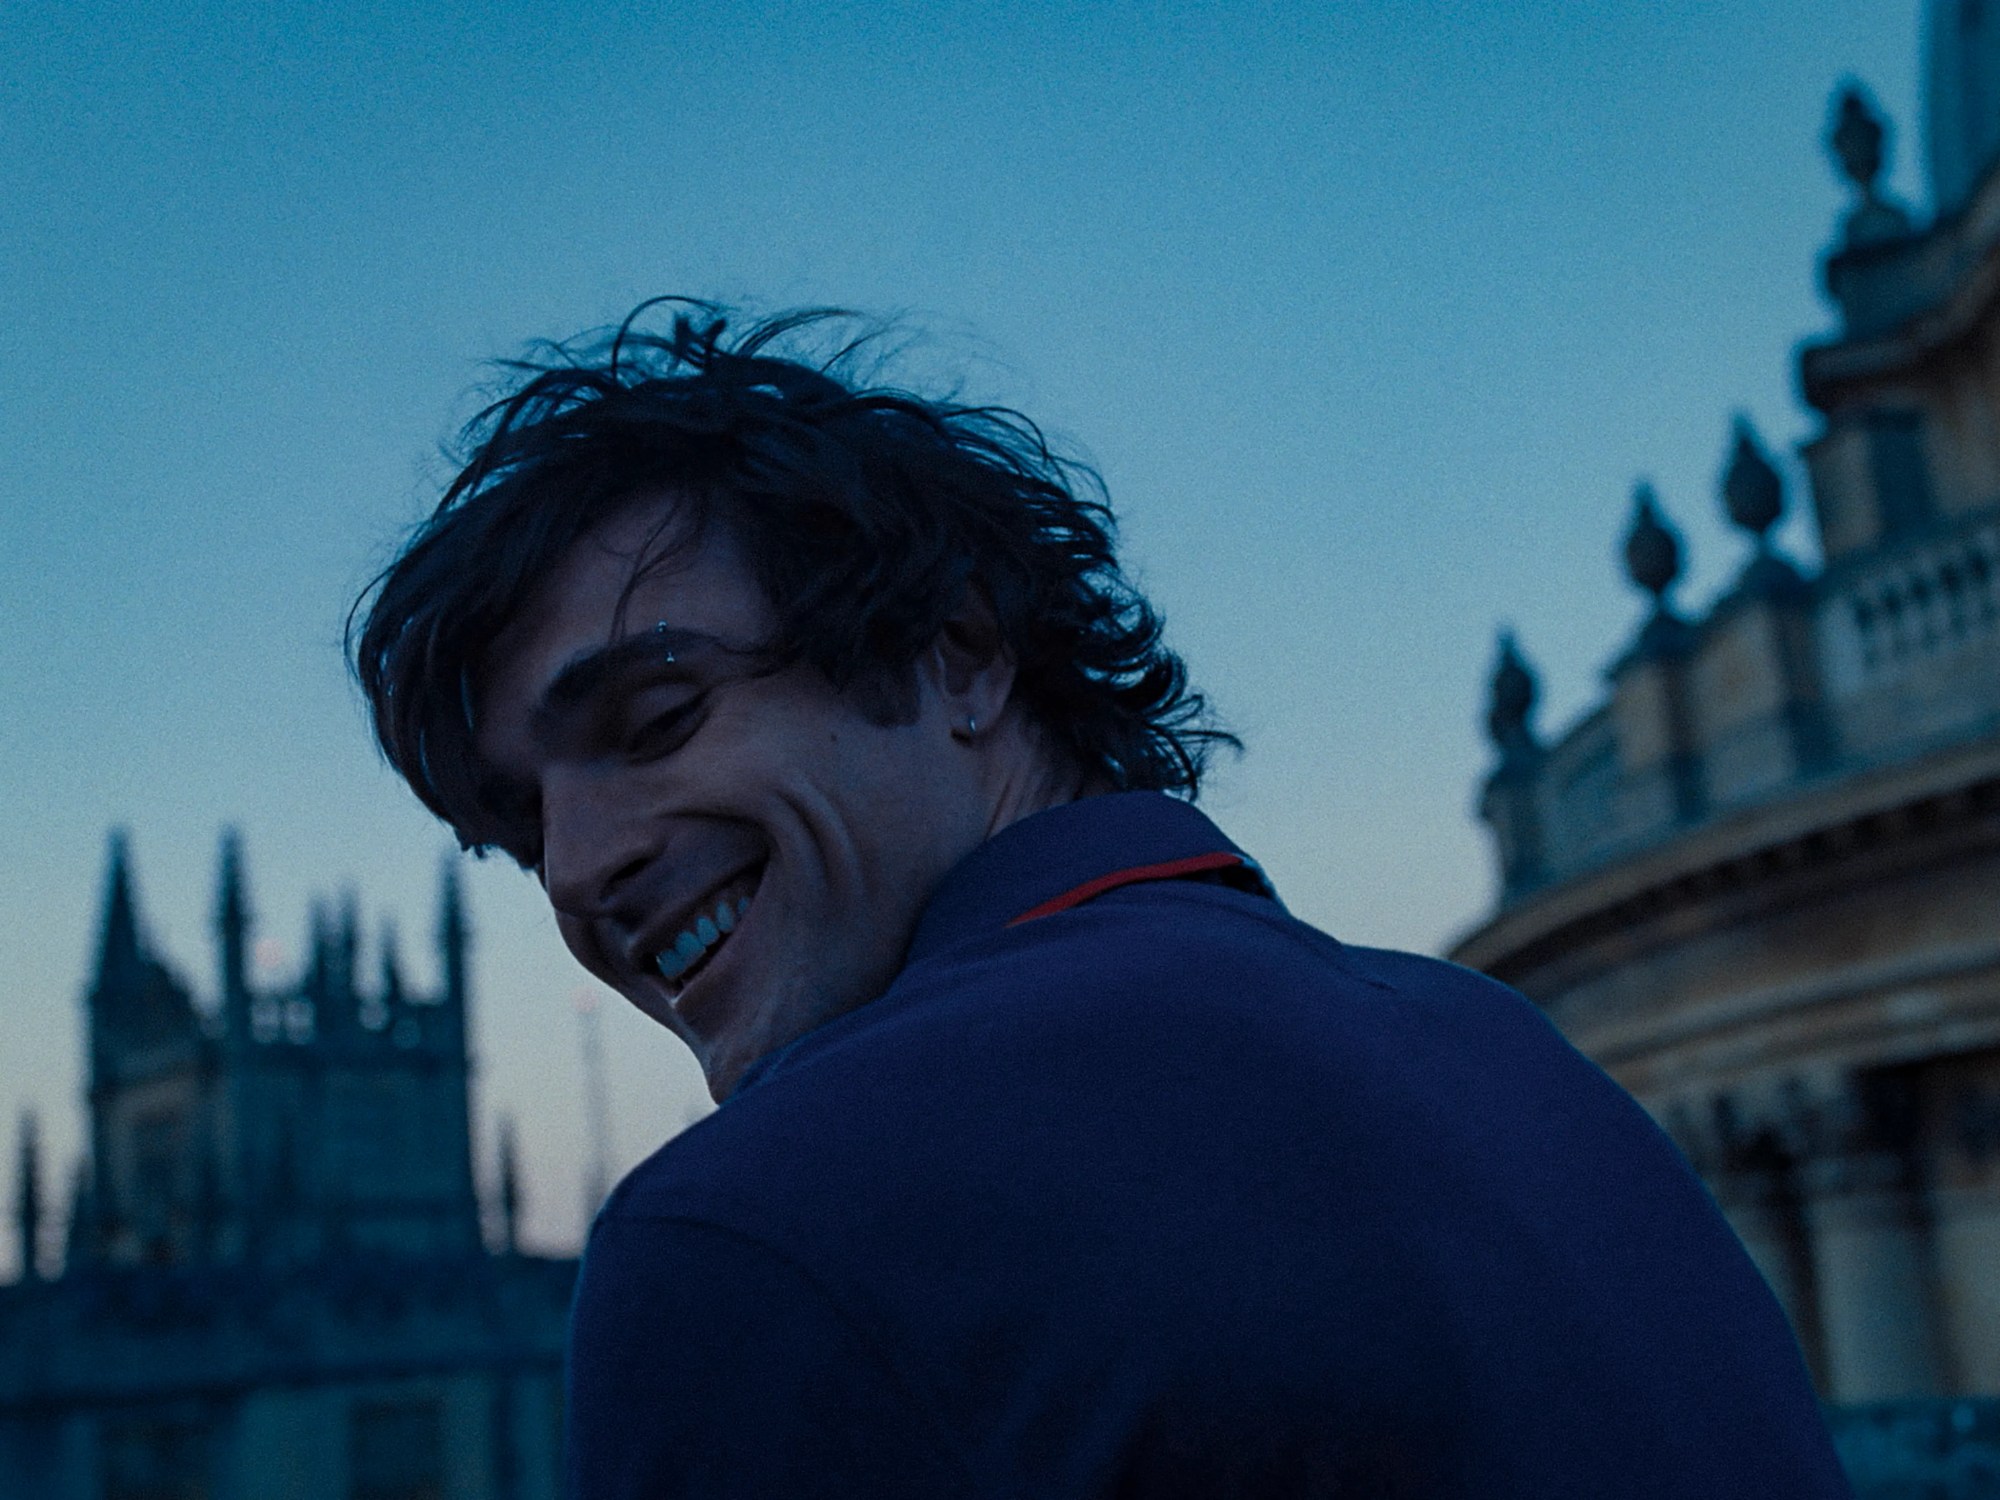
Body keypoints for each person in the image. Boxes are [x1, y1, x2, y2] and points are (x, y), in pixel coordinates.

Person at [351, 302, 1852, 1498]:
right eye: (521, 820)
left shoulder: (760, 1232)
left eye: (659, 716)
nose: (578, 864)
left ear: (960, 651)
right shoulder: (1519, 1063)